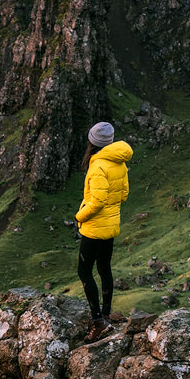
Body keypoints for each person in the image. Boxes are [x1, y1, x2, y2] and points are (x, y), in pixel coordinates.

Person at [75, 121, 133, 342]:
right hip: (111, 226)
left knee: (84, 271)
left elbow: (97, 201)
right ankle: (106, 315)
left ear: (93, 141)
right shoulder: (119, 162)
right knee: (104, 268)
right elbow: (124, 195)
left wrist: (79, 216)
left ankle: (98, 322)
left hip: (94, 228)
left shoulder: (98, 165)